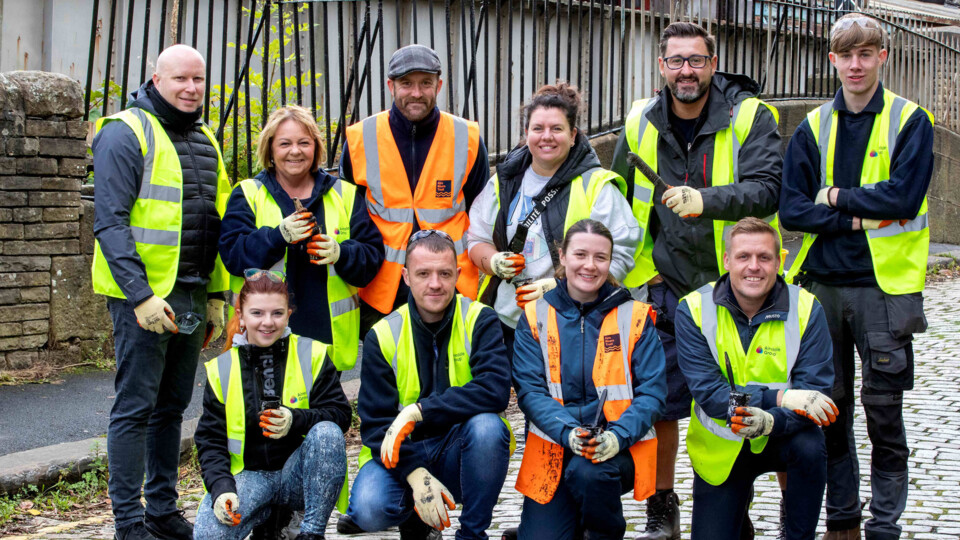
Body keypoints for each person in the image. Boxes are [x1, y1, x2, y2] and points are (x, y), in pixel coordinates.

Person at [610, 21, 783, 539]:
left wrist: (704, 200)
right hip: (664, 284)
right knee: (660, 401)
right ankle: (662, 505)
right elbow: (615, 192)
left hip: (736, 288)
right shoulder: (641, 120)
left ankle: (732, 498)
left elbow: (767, 188)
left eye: (696, 60)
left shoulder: (750, 116)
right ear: (662, 67)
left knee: (733, 399)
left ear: (712, 63)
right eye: (676, 61)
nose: (686, 70)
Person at [779, 14, 934, 540]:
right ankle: (842, 518)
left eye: (865, 54)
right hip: (820, 284)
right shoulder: (814, 126)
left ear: (882, 57)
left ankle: (884, 525)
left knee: (884, 414)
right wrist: (859, 215)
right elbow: (792, 209)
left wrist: (836, 197)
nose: (855, 64)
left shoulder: (911, 121)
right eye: (845, 55)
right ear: (832, 61)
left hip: (884, 288)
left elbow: (904, 199)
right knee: (831, 411)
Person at [91, 44, 231, 540]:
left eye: (199, 80)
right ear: (156, 79)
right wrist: (140, 295)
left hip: (192, 292)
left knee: (172, 409)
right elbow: (109, 222)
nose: (192, 89)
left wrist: (218, 294)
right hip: (144, 300)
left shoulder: (205, 137)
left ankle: (162, 510)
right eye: (181, 80)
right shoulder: (125, 132)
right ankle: (129, 522)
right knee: (135, 408)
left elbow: (212, 221)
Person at [337, 230, 513, 540]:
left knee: (488, 428)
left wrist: (419, 411)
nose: (435, 283)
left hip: (459, 449)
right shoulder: (384, 334)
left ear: (457, 274)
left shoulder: (479, 319)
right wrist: (416, 473)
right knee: (368, 507)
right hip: (400, 455)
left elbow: (495, 390)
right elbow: (376, 426)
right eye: (423, 273)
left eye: (444, 273)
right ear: (405, 276)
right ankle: (417, 523)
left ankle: (472, 534)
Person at [674, 217, 836, 540]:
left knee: (811, 446)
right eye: (743, 257)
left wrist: (772, 421)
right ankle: (736, 508)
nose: (754, 267)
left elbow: (815, 396)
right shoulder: (692, 310)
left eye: (764, 257)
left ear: (779, 261)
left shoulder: (807, 308)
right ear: (726, 261)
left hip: (784, 435)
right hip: (721, 447)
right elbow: (711, 395)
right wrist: (778, 398)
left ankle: (797, 532)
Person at [511, 219, 666, 540]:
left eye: (600, 257)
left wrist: (616, 437)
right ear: (563, 256)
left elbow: (652, 395)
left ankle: (603, 533)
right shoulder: (534, 315)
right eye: (580, 255)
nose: (590, 265)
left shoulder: (635, 316)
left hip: (618, 449)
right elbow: (530, 392)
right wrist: (569, 433)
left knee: (588, 474)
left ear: (610, 262)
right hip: (554, 448)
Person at [468, 83, 640, 352]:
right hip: (509, 323)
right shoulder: (504, 181)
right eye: (538, 128)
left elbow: (620, 256)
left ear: (573, 136)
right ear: (526, 134)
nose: (546, 136)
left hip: (573, 324)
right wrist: (493, 261)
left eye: (556, 129)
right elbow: (476, 237)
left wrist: (561, 286)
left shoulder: (597, 187)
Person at [219, 105, 384, 372]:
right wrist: (277, 237)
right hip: (263, 337)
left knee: (322, 413)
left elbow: (371, 258)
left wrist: (341, 253)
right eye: (285, 143)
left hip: (327, 342)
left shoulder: (345, 194)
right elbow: (233, 256)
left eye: (303, 143)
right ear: (270, 149)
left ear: (316, 148)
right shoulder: (249, 194)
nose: (295, 151)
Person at [340, 44, 490, 332]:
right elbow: (347, 216)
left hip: (449, 282)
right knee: (389, 370)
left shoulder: (467, 138)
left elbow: (481, 213)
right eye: (406, 84)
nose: (416, 93)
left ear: (439, 85)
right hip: (382, 286)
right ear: (390, 86)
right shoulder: (360, 139)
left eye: (425, 83)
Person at [193, 270, 351, 539]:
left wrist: (294, 419)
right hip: (249, 477)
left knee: (327, 433)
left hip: (297, 475)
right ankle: (271, 519)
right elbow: (210, 441)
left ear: (289, 313)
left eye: (277, 313)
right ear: (240, 315)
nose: (267, 322)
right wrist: (222, 489)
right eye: (257, 313)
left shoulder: (312, 354)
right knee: (208, 534)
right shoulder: (220, 369)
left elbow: (340, 415)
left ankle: (310, 531)